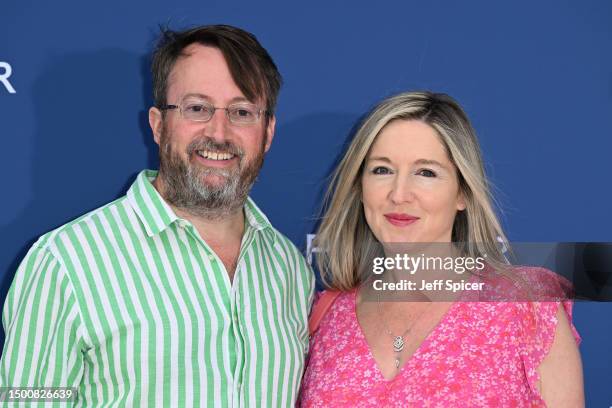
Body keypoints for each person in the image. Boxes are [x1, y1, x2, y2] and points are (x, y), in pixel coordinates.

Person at [0, 25, 314, 407]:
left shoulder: (290, 270)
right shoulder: (64, 263)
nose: (219, 132)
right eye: (196, 108)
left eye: (242, 112)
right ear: (158, 124)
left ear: (267, 133)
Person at [299, 91, 583, 407]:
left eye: (426, 172)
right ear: (360, 187)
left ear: (462, 193)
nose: (399, 193)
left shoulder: (527, 306)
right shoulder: (326, 316)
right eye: (382, 169)